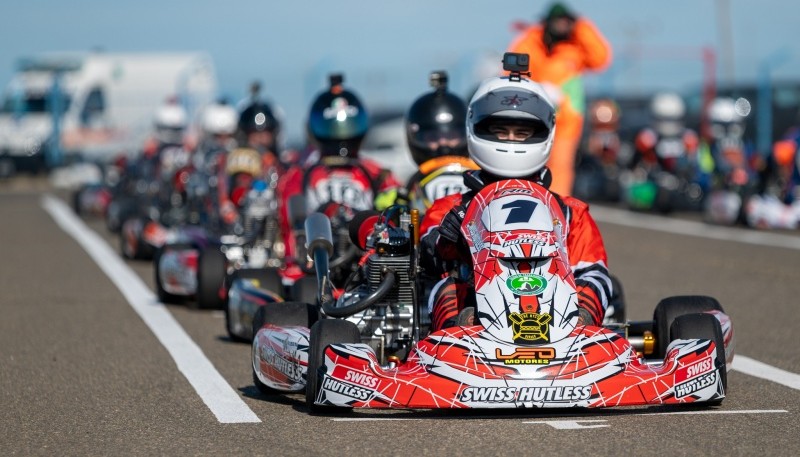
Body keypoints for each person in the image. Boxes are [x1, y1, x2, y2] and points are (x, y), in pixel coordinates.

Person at [420, 71, 612, 331]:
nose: (510, 140)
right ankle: (453, 336)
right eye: (500, 131)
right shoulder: (449, 209)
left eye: (521, 133)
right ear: (474, 129)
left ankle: (581, 332)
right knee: (445, 282)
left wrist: (584, 315)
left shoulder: (570, 212)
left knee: (591, 282)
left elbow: (593, 272)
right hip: (473, 326)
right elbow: (429, 259)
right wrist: (450, 240)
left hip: (560, 328)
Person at [507, 2, 612, 196]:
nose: (563, 26)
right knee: (526, 160)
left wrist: (581, 26)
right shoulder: (531, 41)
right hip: (533, 115)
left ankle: (558, 206)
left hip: (567, 120)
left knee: (561, 165)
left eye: (567, 22)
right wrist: (538, 89)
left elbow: (601, 58)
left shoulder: (576, 45)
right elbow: (512, 72)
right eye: (559, 21)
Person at [404, 71, 478, 212]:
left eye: (452, 136)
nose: (443, 143)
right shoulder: (409, 188)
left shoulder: (481, 180)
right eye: (433, 137)